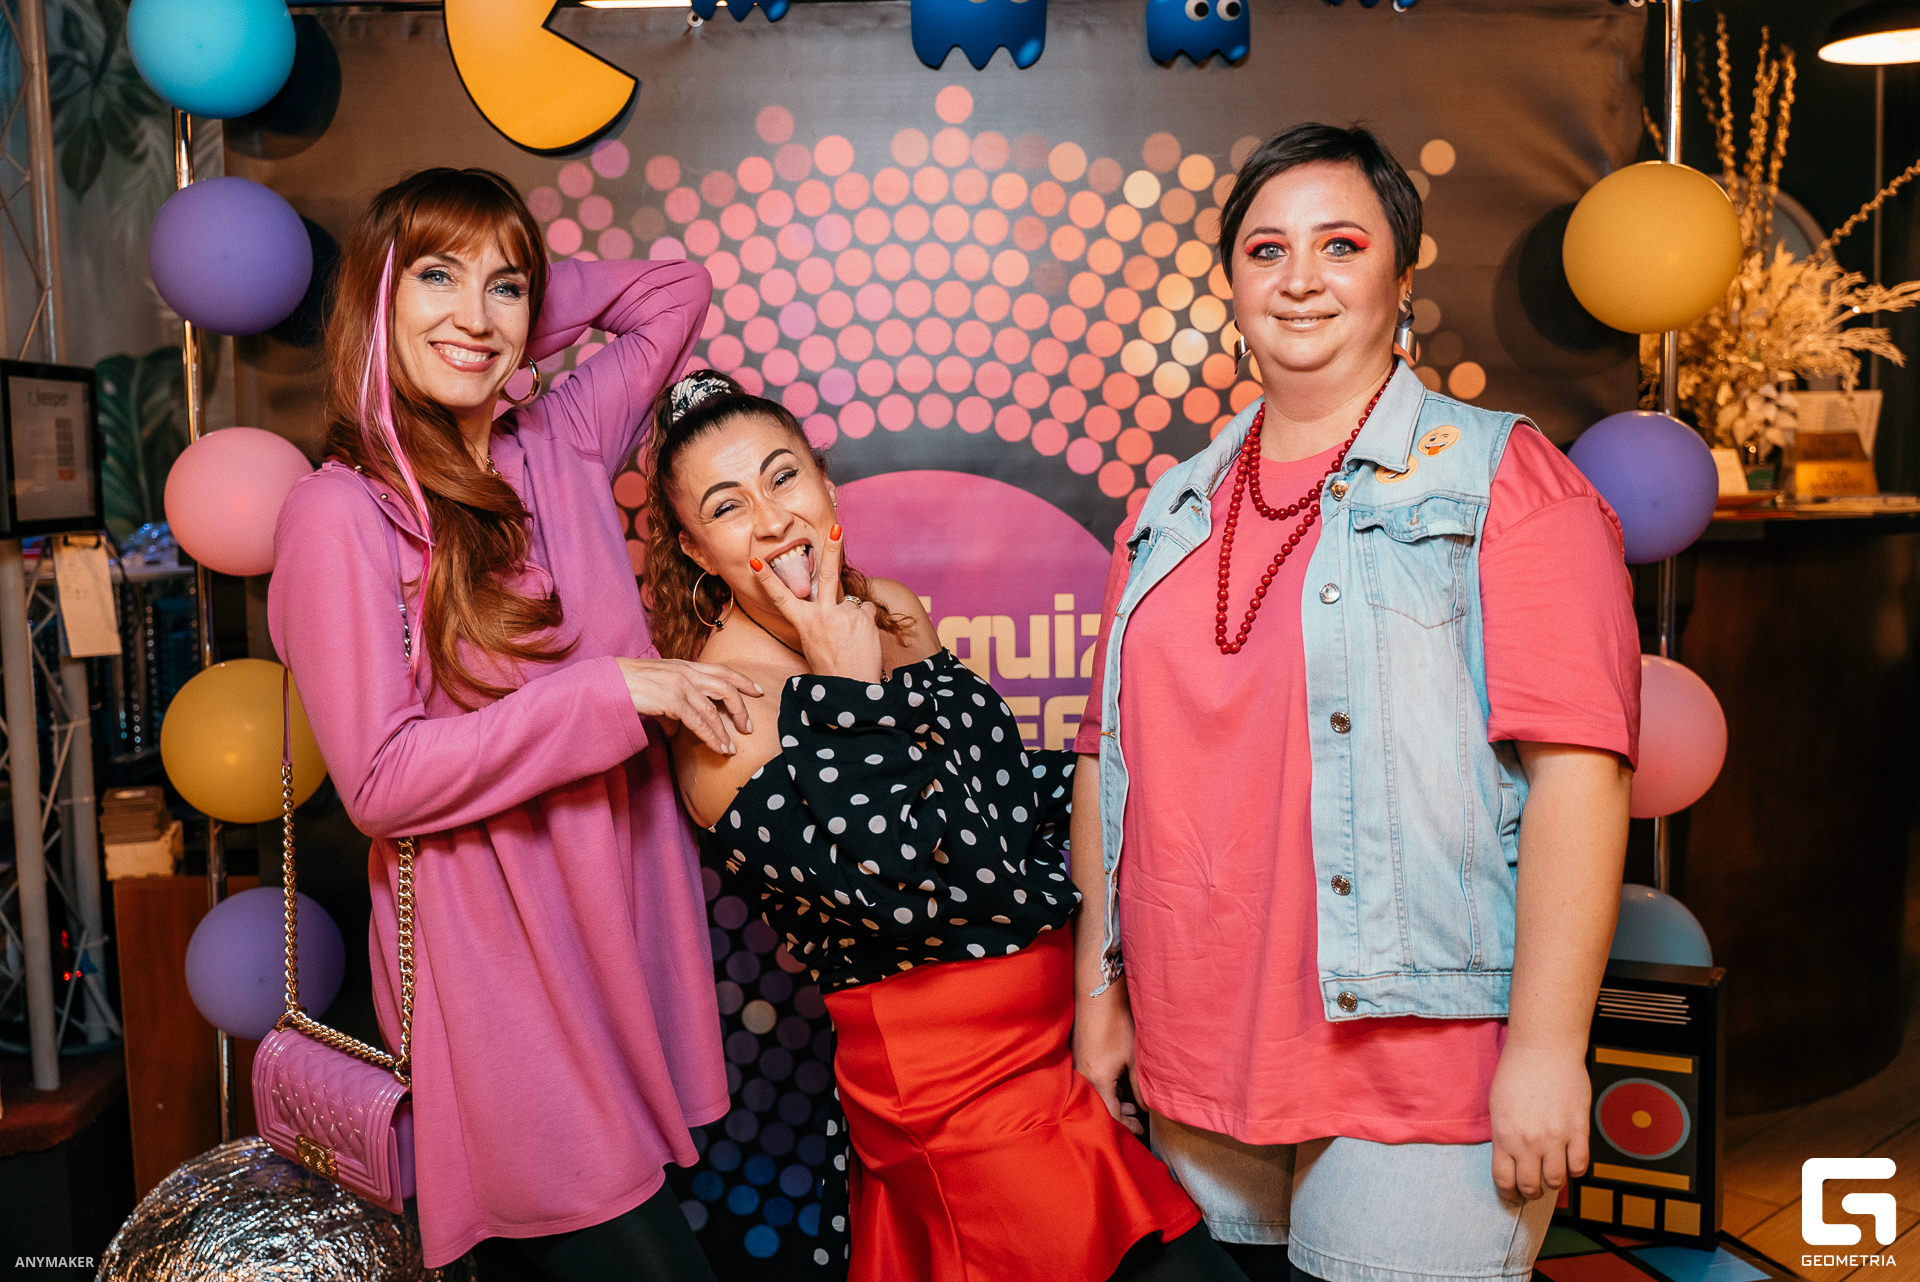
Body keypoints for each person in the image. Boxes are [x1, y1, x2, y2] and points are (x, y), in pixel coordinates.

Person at [1070, 124, 1641, 1282]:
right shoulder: (1169, 510)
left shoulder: (1505, 480)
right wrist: (1102, 990)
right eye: (1265, 249)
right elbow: (1103, 761)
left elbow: (1581, 773)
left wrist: (1547, 1047)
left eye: (1341, 244)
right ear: (1231, 284)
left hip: (1426, 1060)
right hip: (1202, 1049)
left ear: (1404, 271)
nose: (1300, 278)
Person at [647, 370, 1250, 1282]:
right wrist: (849, 692)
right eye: (728, 507)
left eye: (783, 477)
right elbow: (904, 889)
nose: (771, 521)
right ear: (696, 550)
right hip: (950, 1082)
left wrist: (1155, 778)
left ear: (824, 484)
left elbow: (996, 800)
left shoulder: (889, 610)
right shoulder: (723, 715)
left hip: (1058, 1031)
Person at [269, 168, 764, 1278]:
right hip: (501, 963)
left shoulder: (562, 435)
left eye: (505, 285)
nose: (476, 313)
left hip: (619, 920)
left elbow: (673, 290)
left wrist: (500, 310)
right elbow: (382, 781)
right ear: (377, 293)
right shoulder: (341, 512)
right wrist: (612, 694)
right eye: (436, 278)